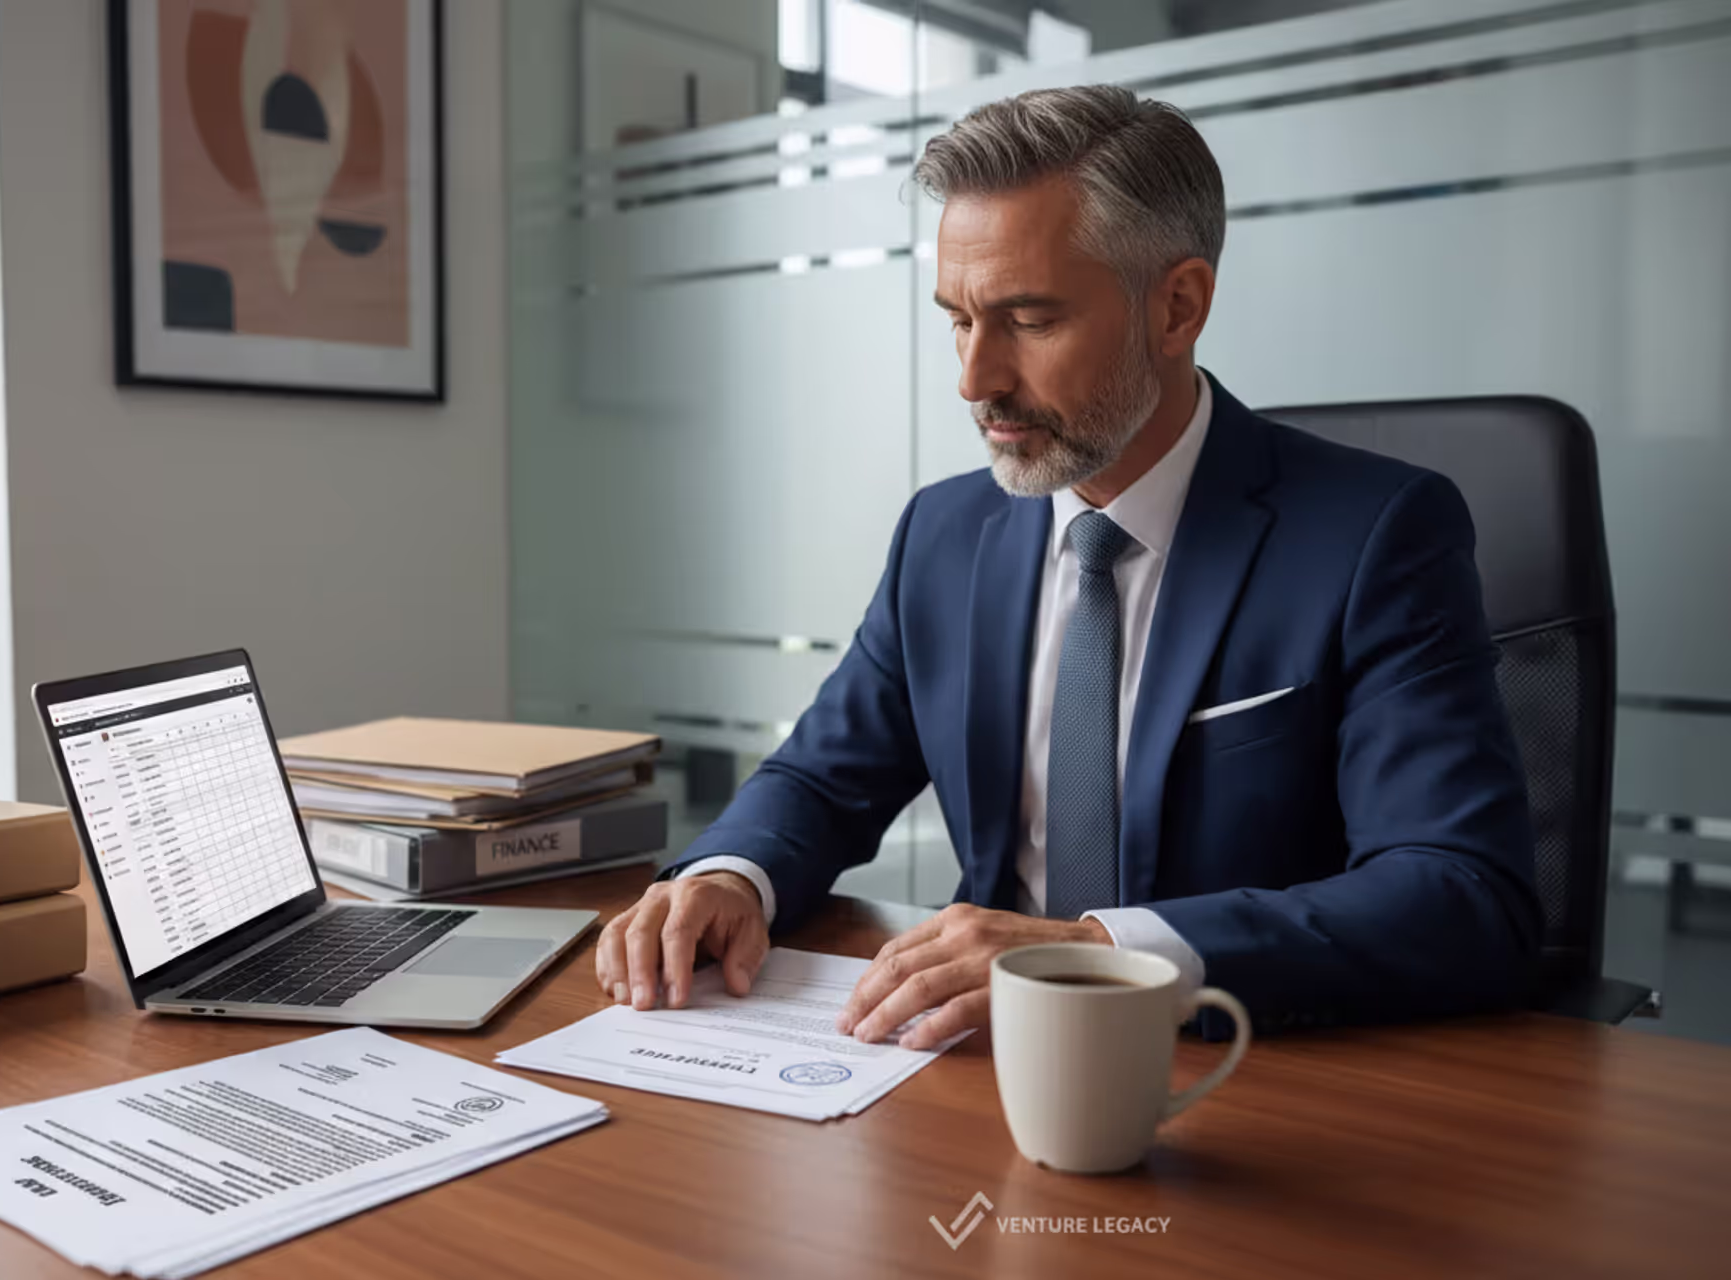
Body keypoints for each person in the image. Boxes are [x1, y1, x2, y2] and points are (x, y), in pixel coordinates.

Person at [594, 84, 1540, 1047]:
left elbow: (1462, 893)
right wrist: (727, 876)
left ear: (1177, 307)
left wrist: (1097, 956)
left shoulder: (1377, 535)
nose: (975, 379)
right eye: (959, 319)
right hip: (967, 1068)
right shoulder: (944, 533)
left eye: (1030, 321)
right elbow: (823, 779)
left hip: (1248, 1079)